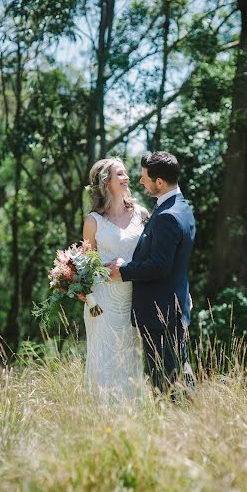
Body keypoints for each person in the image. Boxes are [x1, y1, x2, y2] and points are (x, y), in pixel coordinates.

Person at [108, 151, 196, 396]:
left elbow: (159, 265)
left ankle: (178, 426)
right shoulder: (181, 207)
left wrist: (122, 270)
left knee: (166, 383)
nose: (140, 182)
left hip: (162, 314)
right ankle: (191, 419)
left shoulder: (167, 216)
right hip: (172, 307)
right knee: (177, 374)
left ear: (159, 182)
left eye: (144, 177)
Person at [82, 157, 148, 400]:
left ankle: (132, 418)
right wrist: (90, 279)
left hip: (136, 297)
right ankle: (102, 418)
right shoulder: (93, 221)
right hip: (104, 303)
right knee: (106, 362)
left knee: (132, 359)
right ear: (105, 182)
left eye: (125, 173)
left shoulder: (141, 214)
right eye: (119, 174)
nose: (126, 178)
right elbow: (85, 266)